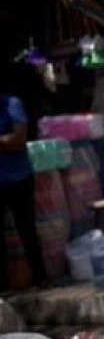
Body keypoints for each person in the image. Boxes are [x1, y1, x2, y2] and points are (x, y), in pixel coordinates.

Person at [0, 88, 49, 291]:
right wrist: (5, 141)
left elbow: (19, 139)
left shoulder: (12, 103)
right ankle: (4, 287)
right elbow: (10, 140)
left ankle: (41, 278)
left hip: (18, 177)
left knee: (27, 229)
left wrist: (9, 141)